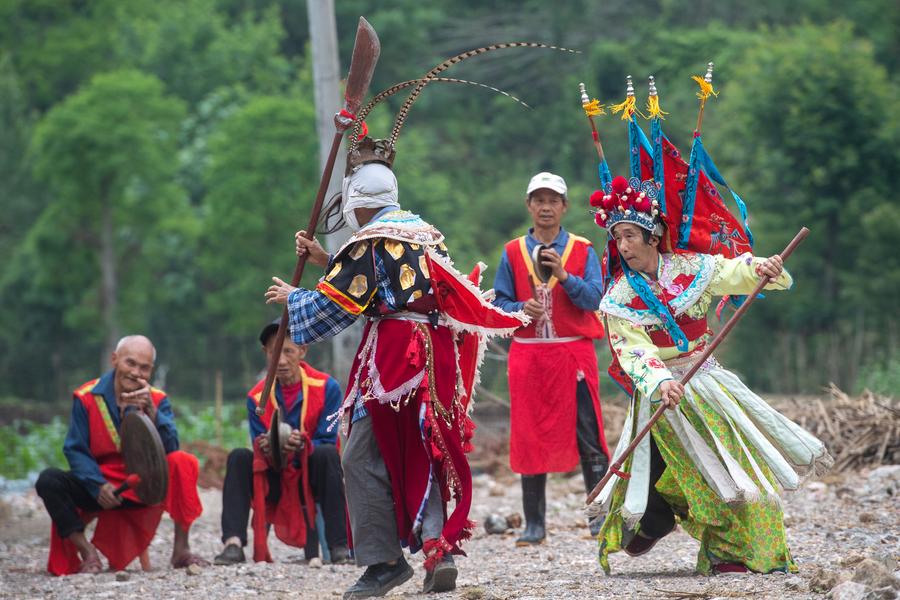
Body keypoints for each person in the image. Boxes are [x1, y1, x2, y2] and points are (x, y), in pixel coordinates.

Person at [265, 150, 526, 596]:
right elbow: (389, 282)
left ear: (356, 200)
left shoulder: (367, 242)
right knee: (426, 447)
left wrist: (295, 297)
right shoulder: (425, 233)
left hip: (394, 356)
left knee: (361, 454)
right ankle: (436, 550)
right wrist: (329, 259)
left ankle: (384, 561)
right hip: (436, 351)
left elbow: (335, 309)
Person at [588, 176, 832, 575]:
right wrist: (660, 380)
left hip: (708, 381)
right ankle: (688, 533)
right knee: (698, 471)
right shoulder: (618, 297)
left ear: (654, 235)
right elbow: (632, 349)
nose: (624, 246)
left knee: (738, 465)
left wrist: (761, 267)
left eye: (631, 235)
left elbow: (734, 272)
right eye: (618, 238)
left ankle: (735, 547)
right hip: (664, 394)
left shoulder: (691, 267)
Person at [493, 171, 610, 545]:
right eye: (538, 200)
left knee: (588, 433)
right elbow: (498, 303)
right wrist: (518, 308)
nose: (545, 207)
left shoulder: (583, 250)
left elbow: (595, 299)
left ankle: (597, 517)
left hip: (573, 352)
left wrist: (564, 275)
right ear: (529, 205)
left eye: (553, 200)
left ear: (564, 207)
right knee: (530, 436)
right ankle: (534, 525)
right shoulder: (511, 251)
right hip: (528, 355)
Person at [35, 335, 206, 575]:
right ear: (114, 360)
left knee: (183, 461)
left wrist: (152, 413)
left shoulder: (157, 398)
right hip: (102, 484)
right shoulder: (86, 396)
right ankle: (87, 552)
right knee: (49, 480)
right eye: (130, 363)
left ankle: (180, 550)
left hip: (145, 484)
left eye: (144, 368)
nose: (136, 372)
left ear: (151, 371)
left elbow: (170, 447)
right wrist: (97, 485)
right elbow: (75, 449)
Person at [213, 321, 348, 565]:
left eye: (288, 351)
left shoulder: (328, 387)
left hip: (312, 475)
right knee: (238, 458)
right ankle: (232, 543)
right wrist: (265, 446)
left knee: (327, 453)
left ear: (303, 351)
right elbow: (257, 444)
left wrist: (303, 443)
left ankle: (339, 546)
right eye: (275, 352)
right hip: (275, 475)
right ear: (266, 353)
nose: (282, 361)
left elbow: (328, 438)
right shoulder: (256, 397)